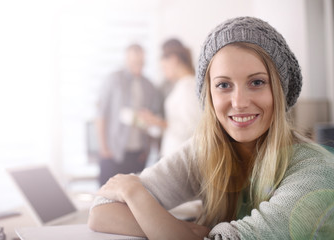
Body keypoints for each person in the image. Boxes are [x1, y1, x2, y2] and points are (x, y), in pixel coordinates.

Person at [89, 17, 334, 239]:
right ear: (209, 96)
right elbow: (101, 210)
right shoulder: (205, 151)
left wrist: (137, 195)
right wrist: (188, 231)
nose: (239, 103)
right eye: (224, 85)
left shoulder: (316, 173)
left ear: (279, 91)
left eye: (257, 82)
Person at [95, 44, 162, 186]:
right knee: (107, 199)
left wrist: (147, 150)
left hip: (138, 154)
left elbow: (152, 120)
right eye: (134, 62)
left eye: (141, 62)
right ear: (126, 60)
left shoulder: (149, 86)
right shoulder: (113, 80)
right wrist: (104, 148)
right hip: (114, 151)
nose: (138, 65)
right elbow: (101, 114)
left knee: (132, 198)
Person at [139, 38, 202, 157]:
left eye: (164, 68)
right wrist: (154, 122)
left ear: (173, 60)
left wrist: (159, 122)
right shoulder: (181, 86)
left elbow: (193, 128)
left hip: (182, 156)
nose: (163, 72)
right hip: (175, 154)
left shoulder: (188, 87)